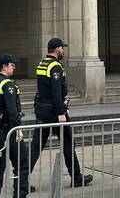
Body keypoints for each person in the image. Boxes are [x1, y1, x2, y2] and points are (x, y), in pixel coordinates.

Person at [32, 38, 92, 187]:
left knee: (36, 146)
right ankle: (76, 177)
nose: (63, 51)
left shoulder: (42, 63)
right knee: (68, 144)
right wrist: (61, 112)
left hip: (42, 108)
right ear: (57, 49)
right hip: (54, 111)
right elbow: (56, 91)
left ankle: (20, 180)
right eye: (62, 48)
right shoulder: (55, 66)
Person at [0, 55, 37, 198]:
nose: (14, 67)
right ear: (4, 67)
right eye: (12, 65)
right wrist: (17, 129)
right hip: (7, 129)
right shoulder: (8, 84)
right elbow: (12, 111)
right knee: (22, 165)